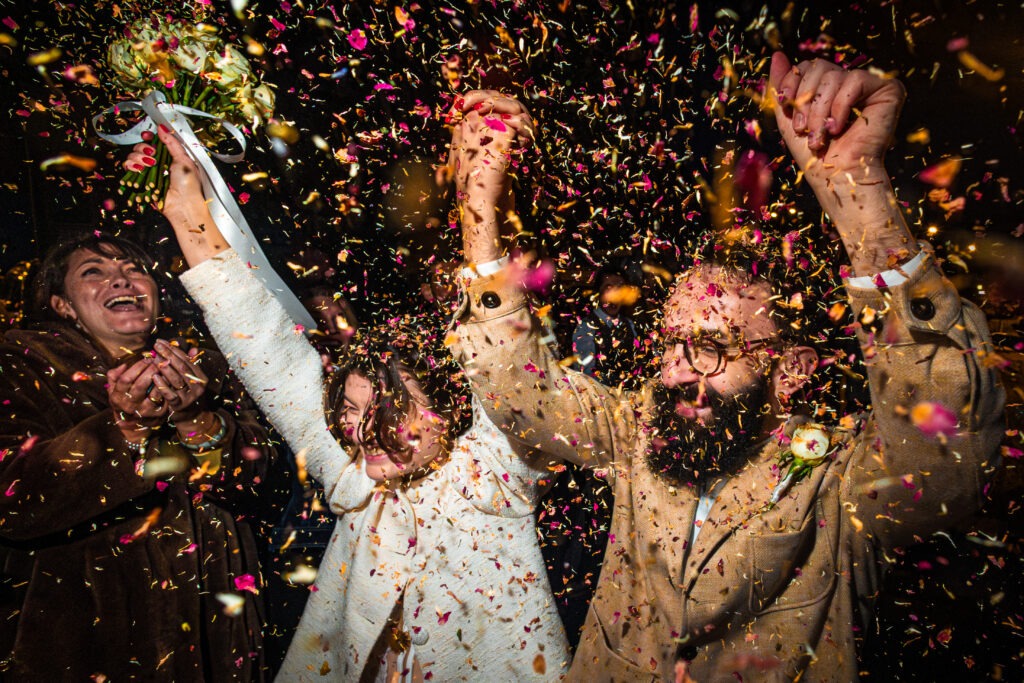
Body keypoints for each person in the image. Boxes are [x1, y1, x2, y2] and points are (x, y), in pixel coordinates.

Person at [446, 53, 1005, 681]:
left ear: (791, 369)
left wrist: (862, 202)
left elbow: (941, 467)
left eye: (709, 347)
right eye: (670, 345)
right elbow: (519, 393)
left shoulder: (835, 478)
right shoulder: (636, 434)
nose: (679, 371)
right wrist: (481, 210)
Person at [125, 124, 570, 681]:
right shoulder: (354, 471)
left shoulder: (493, 471)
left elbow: (512, 357)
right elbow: (266, 347)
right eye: (352, 411)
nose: (362, 432)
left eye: (390, 409)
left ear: (455, 411)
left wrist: (480, 200)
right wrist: (187, 216)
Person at [0, 234, 277, 681]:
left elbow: (258, 482)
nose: (120, 279)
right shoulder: (22, 365)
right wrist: (124, 428)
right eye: (94, 272)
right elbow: (12, 500)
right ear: (63, 304)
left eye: (133, 269)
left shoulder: (205, 364)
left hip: (218, 634)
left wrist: (195, 419)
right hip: (89, 639)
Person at [571, 262, 643, 388]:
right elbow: (585, 377)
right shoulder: (586, 327)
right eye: (608, 287)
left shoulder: (629, 324)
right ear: (599, 292)